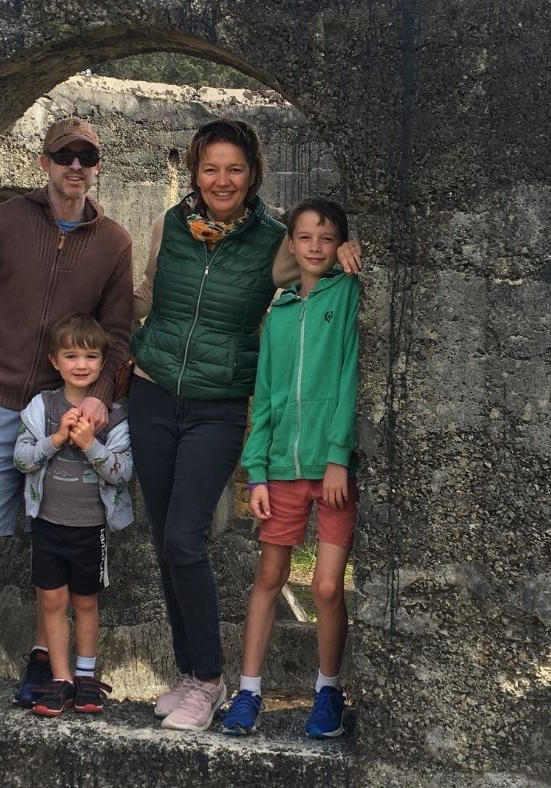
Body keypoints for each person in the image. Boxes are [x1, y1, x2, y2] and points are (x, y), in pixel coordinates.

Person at [128, 119, 362, 732]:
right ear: (194, 172)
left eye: (234, 169)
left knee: (184, 538)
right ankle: (188, 673)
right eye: (210, 168)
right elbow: (148, 296)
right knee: (162, 544)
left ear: (253, 173)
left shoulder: (276, 240)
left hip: (219, 404)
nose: (222, 180)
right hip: (151, 395)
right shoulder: (168, 226)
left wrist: (347, 252)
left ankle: (209, 680)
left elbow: (321, 264)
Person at [0, 118, 133, 728]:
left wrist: (100, 399)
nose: (75, 165)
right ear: (44, 162)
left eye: (87, 156)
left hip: (63, 412)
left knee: (60, 540)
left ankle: (47, 662)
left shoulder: (114, 242)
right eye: (64, 154)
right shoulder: (8, 220)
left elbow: (118, 337)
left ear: (97, 166)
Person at [220, 197, 359, 739]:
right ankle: (248, 691)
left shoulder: (347, 293)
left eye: (327, 238)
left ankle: (328, 689)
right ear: (291, 245)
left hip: (331, 472)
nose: (316, 248)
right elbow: (268, 395)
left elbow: (348, 374)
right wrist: (255, 470)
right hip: (279, 470)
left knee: (326, 586)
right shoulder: (277, 313)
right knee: (269, 578)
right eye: (304, 238)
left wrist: (337, 458)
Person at [12, 314, 133, 717]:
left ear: (103, 364)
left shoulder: (114, 415)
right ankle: (59, 678)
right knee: (50, 600)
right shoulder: (41, 406)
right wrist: (57, 439)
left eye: (91, 356)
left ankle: (85, 677)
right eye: (71, 355)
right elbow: (21, 458)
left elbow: (122, 471)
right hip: (48, 523)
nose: (81, 364)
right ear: (54, 361)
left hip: (90, 528)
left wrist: (90, 446)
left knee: (85, 602)